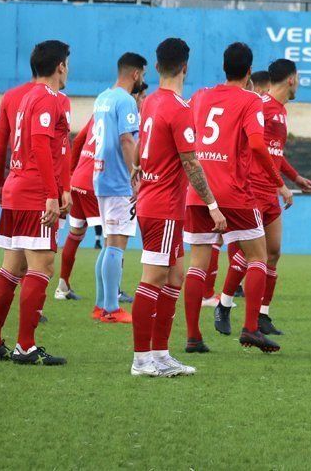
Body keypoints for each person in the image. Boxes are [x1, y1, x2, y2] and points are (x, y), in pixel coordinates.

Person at [183, 42, 288, 354]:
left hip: (200, 191)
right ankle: (251, 328)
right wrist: (276, 180)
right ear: (249, 71)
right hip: (235, 193)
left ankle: (193, 337)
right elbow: (257, 144)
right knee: (259, 256)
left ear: (224, 66)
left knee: (197, 264)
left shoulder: (200, 96)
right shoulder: (250, 100)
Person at [129, 38, 224, 377]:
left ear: (156, 67)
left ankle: (160, 353)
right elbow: (191, 162)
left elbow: (144, 149)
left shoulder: (150, 102)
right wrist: (212, 204)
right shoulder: (180, 108)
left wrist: (139, 173)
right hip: (164, 206)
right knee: (153, 277)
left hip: (155, 202)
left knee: (175, 276)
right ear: (185, 67)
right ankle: (142, 360)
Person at [0, 39, 72, 365]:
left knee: (12, 268)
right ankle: (26, 346)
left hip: (16, 188)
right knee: (42, 266)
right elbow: (44, 147)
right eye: (67, 63)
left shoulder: (19, 97)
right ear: (60, 66)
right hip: (35, 192)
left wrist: (1, 183)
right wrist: (53, 192)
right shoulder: (51, 99)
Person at [214, 59, 311, 336]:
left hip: (269, 192)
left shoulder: (281, 111)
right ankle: (223, 305)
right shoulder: (261, 106)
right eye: (299, 79)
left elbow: (274, 154)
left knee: (273, 253)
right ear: (291, 79)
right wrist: (278, 184)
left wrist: (293, 179)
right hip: (251, 191)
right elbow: (251, 147)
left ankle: (262, 315)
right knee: (248, 257)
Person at [91, 52, 147, 324]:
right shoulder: (126, 100)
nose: (143, 81)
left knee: (109, 242)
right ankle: (111, 309)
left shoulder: (103, 97)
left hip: (101, 174)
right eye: (143, 75)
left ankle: (102, 304)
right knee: (116, 244)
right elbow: (127, 140)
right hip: (117, 178)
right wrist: (134, 175)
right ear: (136, 74)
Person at [55, 115, 97, 303]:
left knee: (75, 233)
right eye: (141, 96)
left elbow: (78, 140)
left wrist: (72, 172)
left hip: (78, 180)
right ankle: (113, 293)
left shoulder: (99, 112)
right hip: (98, 182)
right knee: (114, 239)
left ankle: (62, 286)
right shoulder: (128, 114)